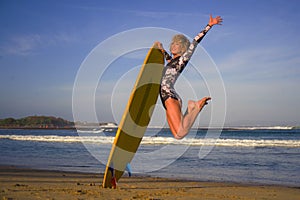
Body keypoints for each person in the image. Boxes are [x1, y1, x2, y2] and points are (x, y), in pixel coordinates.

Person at [155, 14, 223, 139]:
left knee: (181, 133)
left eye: (178, 45)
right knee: (177, 135)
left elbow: (195, 42)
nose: (174, 46)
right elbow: (168, 59)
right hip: (165, 98)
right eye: (173, 44)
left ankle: (196, 106)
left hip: (170, 96)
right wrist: (162, 50)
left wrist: (209, 26)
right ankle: (191, 107)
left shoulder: (183, 59)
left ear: (183, 48)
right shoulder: (171, 62)